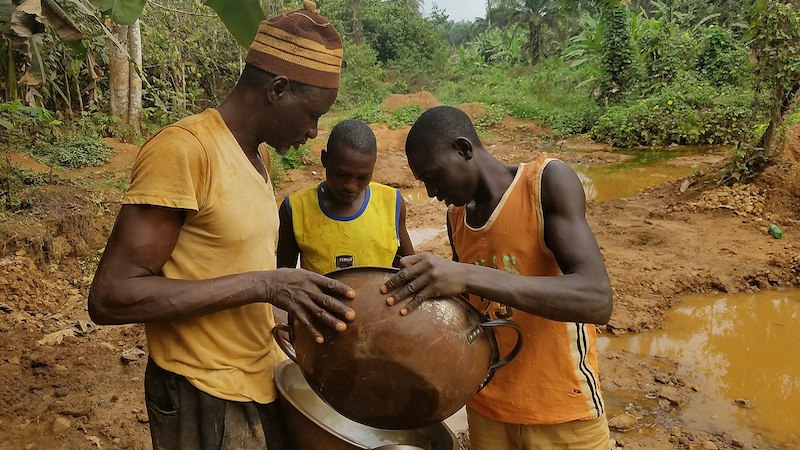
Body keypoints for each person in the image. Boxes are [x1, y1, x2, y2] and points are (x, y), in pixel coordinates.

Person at [87, 3, 356, 449]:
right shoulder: (184, 150)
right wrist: (266, 285)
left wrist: (290, 314)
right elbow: (111, 297)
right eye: (313, 114)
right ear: (278, 88)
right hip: (203, 392)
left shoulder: (257, 156)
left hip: (258, 379)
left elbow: (227, 264)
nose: (313, 132)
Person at [381, 106, 613, 449]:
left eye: (433, 176)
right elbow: (471, 308)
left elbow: (596, 298)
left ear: (463, 150)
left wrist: (467, 274)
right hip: (487, 409)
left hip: (561, 411)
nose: (430, 191)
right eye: (423, 182)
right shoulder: (457, 218)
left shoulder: (545, 183)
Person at [276, 119, 415, 274]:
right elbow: (285, 279)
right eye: (341, 174)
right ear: (324, 159)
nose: (350, 186)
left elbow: (409, 267)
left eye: (363, 177)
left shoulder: (391, 202)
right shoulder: (295, 209)